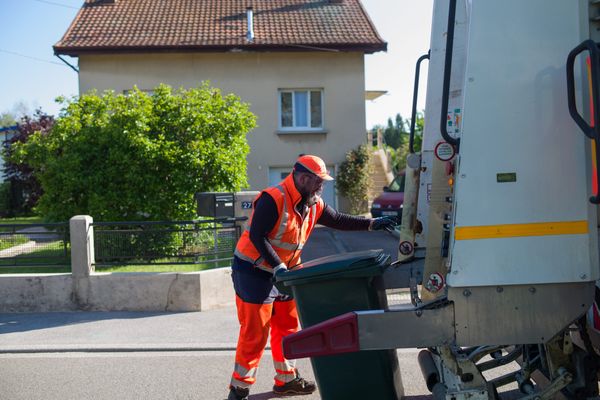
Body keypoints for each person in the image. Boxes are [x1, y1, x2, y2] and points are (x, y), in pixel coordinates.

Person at [227, 154, 397, 400]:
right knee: (255, 332)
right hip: (254, 271)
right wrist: (277, 267)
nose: (322, 186)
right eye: (319, 181)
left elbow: (338, 220)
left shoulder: (313, 202)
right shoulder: (273, 199)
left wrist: (372, 224)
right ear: (303, 178)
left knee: (287, 326)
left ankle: (286, 380)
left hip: (287, 271)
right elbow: (258, 237)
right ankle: (239, 388)